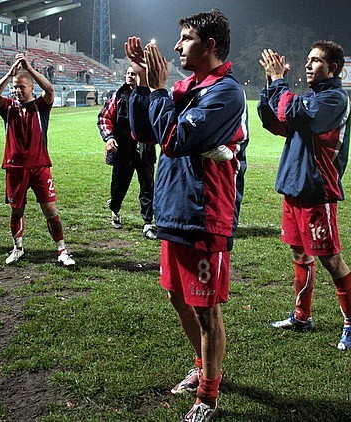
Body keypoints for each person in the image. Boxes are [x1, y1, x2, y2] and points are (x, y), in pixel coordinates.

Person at [126, 9, 248, 421]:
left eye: (185, 38)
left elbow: (176, 140)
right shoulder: (189, 88)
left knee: (205, 308)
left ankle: (208, 397)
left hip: (204, 214)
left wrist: (158, 93)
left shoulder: (225, 92)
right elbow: (144, 133)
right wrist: (143, 89)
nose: (177, 46)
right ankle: (202, 367)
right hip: (174, 208)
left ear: (209, 45)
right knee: (177, 296)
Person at [257, 41, 351, 350]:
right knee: (299, 254)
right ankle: (302, 316)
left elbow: (297, 114)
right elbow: (275, 121)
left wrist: (279, 83)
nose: (308, 64)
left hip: (317, 192)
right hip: (294, 187)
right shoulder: (311, 97)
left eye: (316, 60)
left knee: (331, 260)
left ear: (333, 69)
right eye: (308, 59)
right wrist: (270, 84)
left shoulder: (334, 99)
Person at [0, 53, 75, 266]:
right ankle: (18, 248)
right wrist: (10, 75)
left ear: (31, 88)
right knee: (16, 210)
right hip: (15, 168)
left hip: (39, 166)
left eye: (22, 87)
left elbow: (50, 90)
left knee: (50, 210)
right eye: (15, 87)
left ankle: (62, 250)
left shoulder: (40, 106)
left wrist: (30, 69)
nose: (17, 90)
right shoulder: (8, 108)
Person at [97, 66, 157, 240]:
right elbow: (104, 118)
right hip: (123, 149)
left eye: (134, 74)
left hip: (145, 148)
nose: (130, 76)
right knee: (119, 185)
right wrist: (109, 138)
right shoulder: (118, 95)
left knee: (147, 186)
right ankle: (115, 209)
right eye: (129, 73)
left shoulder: (150, 96)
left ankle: (147, 222)